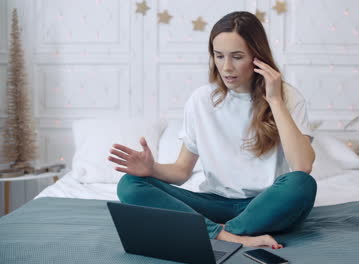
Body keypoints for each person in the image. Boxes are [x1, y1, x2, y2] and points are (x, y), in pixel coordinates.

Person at [108, 11, 317, 249]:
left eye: (237, 57)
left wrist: (275, 100)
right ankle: (227, 235)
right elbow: (181, 171)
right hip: (214, 203)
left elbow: (302, 166)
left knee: (302, 184)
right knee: (130, 184)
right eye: (219, 56)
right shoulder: (200, 100)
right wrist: (151, 169)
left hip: (265, 205)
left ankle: (209, 230)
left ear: (257, 57)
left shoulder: (288, 98)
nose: (226, 67)